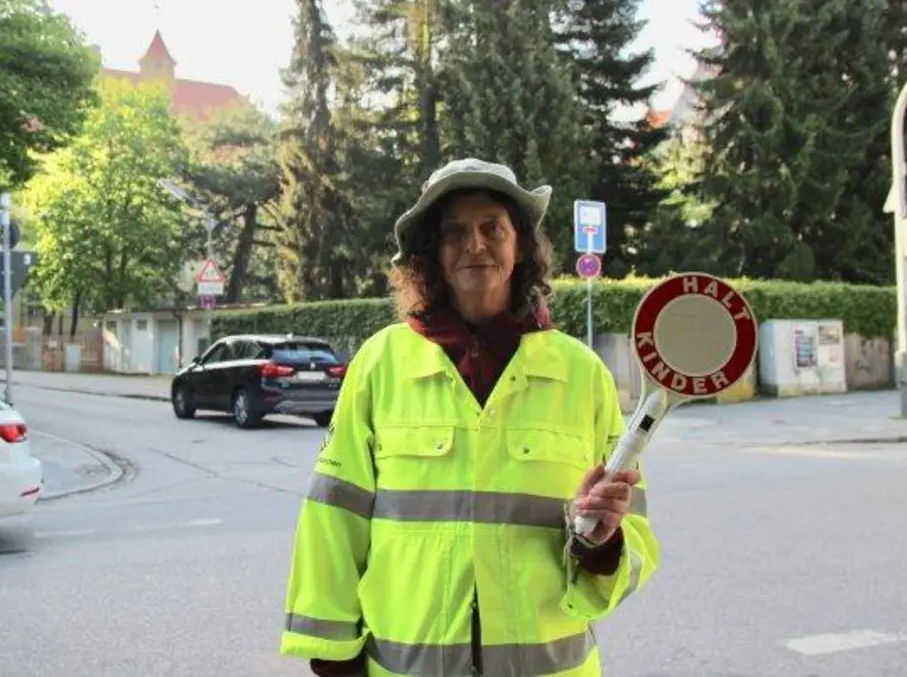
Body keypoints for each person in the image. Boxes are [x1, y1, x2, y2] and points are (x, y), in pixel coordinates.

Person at [279, 158, 657, 677]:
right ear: (430, 253)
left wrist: (603, 542)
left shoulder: (582, 374)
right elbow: (332, 524)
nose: (475, 244)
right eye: (454, 231)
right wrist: (333, 660)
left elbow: (632, 534)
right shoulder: (379, 364)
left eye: (492, 229)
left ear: (520, 245)